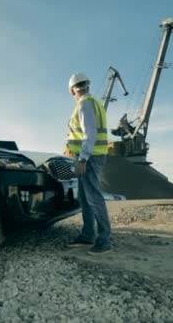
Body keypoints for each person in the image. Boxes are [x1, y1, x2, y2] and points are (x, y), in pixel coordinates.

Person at [64, 72, 112, 255]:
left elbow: (89, 134)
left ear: (71, 90)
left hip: (90, 158)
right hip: (90, 156)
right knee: (85, 198)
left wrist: (83, 158)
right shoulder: (94, 102)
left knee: (94, 198)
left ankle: (104, 239)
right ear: (87, 85)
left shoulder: (84, 104)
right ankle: (88, 234)